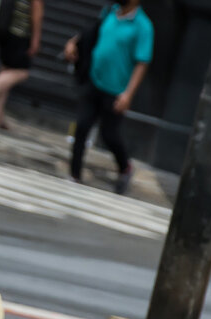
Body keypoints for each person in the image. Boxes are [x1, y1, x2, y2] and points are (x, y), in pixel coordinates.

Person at [64, 0, 153, 194]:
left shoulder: (143, 26)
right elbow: (92, 31)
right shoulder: (109, 12)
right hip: (93, 79)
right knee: (82, 125)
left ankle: (125, 167)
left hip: (116, 89)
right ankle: (74, 175)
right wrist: (73, 42)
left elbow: (142, 63)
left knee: (109, 134)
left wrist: (128, 94)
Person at [0, 0, 45, 129]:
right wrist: (36, 39)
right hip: (19, 31)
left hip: (5, 26)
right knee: (21, 72)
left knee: (6, 69)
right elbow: (37, 7)